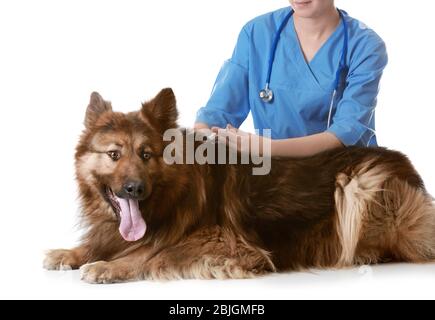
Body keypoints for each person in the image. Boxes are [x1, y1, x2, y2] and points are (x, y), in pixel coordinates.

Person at [195, 0, 388, 157]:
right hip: (277, 177)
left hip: (346, 178)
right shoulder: (256, 33)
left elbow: (343, 134)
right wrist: (206, 140)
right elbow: (215, 116)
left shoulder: (366, 47)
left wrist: (264, 149)